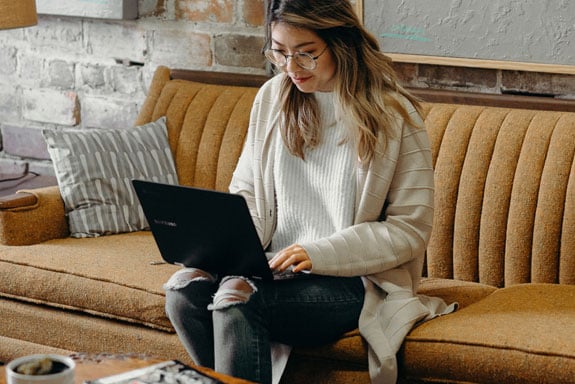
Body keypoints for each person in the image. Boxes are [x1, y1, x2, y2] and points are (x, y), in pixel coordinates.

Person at [164, 1, 454, 383]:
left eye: (306, 54)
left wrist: (316, 253)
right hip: (270, 268)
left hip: (355, 282)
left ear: (342, 43)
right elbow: (247, 192)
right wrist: (225, 248)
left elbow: (409, 229)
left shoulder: (393, 114)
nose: (291, 68)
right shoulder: (272, 98)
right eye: (280, 52)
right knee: (184, 292)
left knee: (237, 299)